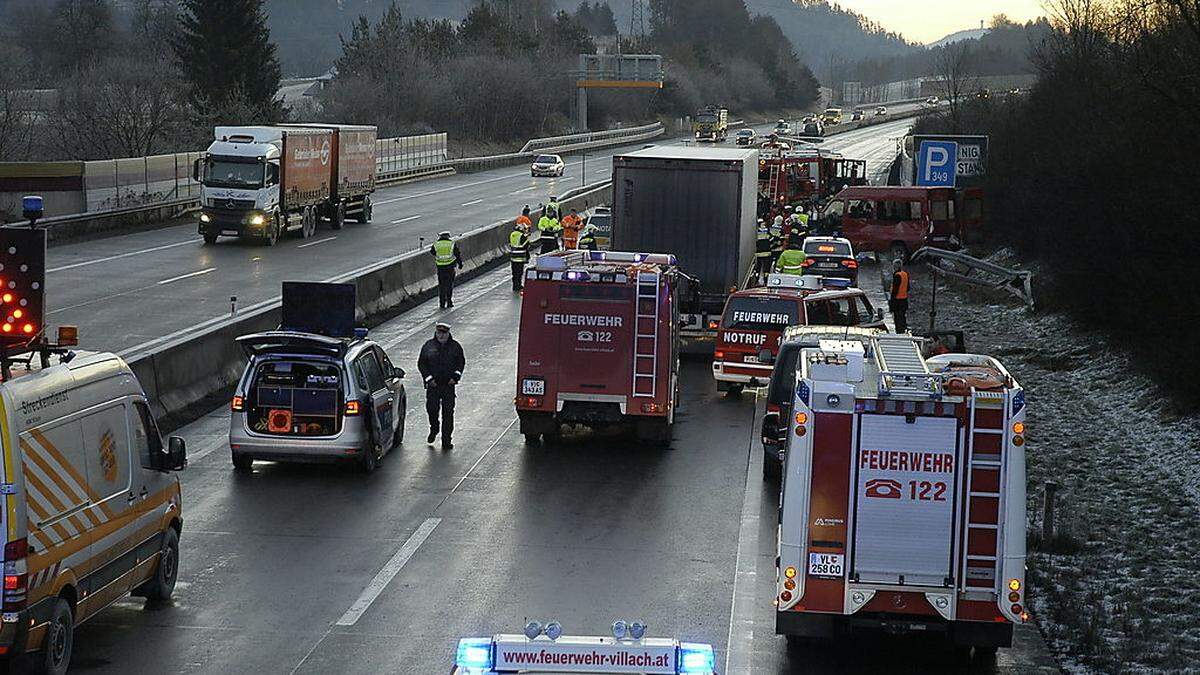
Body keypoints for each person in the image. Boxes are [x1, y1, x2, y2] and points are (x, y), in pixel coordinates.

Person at [417, 322, 465, 450]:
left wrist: (455, 377)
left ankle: (446, 440)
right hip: (433, 386)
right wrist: (428, 379)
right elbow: (422, 364)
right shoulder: (428, 346)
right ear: (436, 333)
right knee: (432, 410)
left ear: (448, 333)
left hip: (448, 386)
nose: (441, 336)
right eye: (439, 333)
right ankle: (434, 428)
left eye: (444, 333)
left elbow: (460, 363)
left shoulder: (455, 347)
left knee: (448, 413)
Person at [429, 230, 463, 309]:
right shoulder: (451, 244)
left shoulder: (436, 244)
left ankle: (442, 303)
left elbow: (432, 252)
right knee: (449, 285)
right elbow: (457, 254)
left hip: (440, 268)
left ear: (440, 236)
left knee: (442, 286)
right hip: (450, 267)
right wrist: (460, 264)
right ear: (448, 236)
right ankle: (449, 302)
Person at [889, 258, 910, 333]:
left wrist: (891, 302)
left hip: (897, 301)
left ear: (895, 267)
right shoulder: (905, 274)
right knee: (903, 317)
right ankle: (904, 331)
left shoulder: (897, 275)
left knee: (898, 319)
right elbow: (908, 288)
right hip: (904, 300)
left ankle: (899, 333)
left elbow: (895, 290)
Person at [508, 220, 530, 291]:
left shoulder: (512, 234)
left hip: (513, 257)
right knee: (519, 273)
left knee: (514, 273)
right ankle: (518, 286)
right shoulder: (522, 236)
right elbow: (526, 246)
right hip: (520, 258)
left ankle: (515, 286)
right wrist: (527, 238)